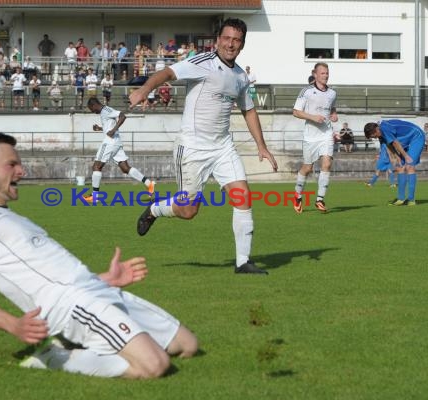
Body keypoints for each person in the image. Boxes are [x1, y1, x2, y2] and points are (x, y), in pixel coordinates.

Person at [0, 132, 197, 378]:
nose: (21, 171)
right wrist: (13, 325)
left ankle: (83, 345)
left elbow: (52, 274)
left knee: (187, 345)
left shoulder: (14, 219)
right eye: (12, 164)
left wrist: (105, 279)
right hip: (74, 306)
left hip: (95, 290)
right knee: (155, 364)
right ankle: (54, 357)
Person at [128, 18, 277, 275]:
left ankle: (243, 262)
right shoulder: (202, 63)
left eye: (236, 40)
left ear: (242, 45)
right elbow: (167, 73)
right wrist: (144, 90)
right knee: (188, 211)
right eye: (227, 38)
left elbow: (248, 110)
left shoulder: (241, 76)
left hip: (223, 148)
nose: (231, 44)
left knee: (243, 197)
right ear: (218, 40)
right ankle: (154, 209)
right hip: (193, 148)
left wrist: (261, 146)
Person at [85, 97, 155, 202]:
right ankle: (148, 184)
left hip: (110, 142)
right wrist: (100, 128)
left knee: (96, 166)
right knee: (125, 168)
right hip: (115, 141)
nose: (92, 111)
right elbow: (109, 127)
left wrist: (113, 130)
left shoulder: (106, 110)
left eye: (91, 109)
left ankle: (94, 197)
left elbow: (122, 116)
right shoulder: (104, 112)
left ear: (93, 105)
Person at [292, 62, 338, 214]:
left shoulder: (332, 93)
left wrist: (333, 114)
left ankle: (320, 200)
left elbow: (332, 108)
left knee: (327, 164)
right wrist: (312, 117)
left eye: (327, 73)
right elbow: (296, 112)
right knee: (308, 168)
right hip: (310, 136)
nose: (325, 75)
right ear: (315, 74)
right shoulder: (306, 91)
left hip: (326, 134)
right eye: (323, 73)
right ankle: (298, 196)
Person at [364, 119, 425, 206]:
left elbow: (395, 143)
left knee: (409, 166)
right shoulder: (380, 134)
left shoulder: (384, 129)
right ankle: (401, 199)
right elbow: (389, 145)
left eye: (374, 136)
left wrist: (406, 156)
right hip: (405, 140)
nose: (375, 138)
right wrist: (397, 157)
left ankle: (411, 200)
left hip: (416, 137)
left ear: (376, 130)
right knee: (399, 167)